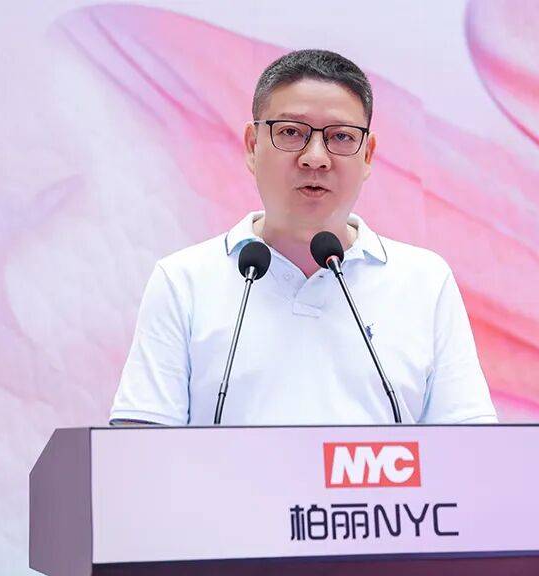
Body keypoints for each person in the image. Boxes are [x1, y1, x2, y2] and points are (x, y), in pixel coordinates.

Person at [109, 49, 497, 426]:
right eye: (291, 132)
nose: (315, 157)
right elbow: (139, 445)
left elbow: (471, 449)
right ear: (252, 146)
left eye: (341, 137)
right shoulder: (183, 281)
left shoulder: (425, 281)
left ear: (367, 155)